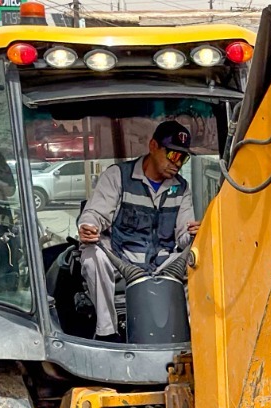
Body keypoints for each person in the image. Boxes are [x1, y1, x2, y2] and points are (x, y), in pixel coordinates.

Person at [77, 120, 202, 339]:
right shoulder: (118, 176)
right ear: (153, 146)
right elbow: (95, 213)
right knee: (92, 255)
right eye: (173, 155)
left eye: (183, 158)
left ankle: (193, 337)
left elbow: (183, 236)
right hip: (122, 260)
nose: (178, 164)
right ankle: (108, 332)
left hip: (162, 263)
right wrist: (88, 226)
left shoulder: (181, 188)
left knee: (199, 261)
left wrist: (194, 234)